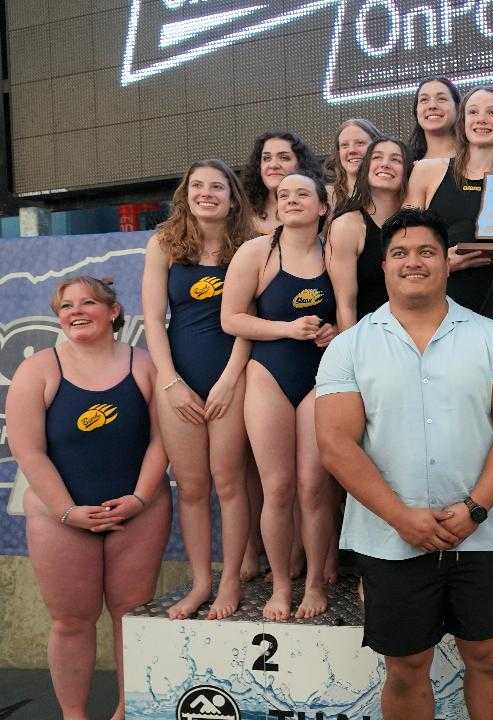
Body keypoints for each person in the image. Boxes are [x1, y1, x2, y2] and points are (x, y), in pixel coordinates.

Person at [315, 208, 493, 720]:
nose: (413, 262)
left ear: (445, 263)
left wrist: (475, 510)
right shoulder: (349, 348)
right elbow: (336, 445)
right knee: (407, 666)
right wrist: (400, 517)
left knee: (486, 657)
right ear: (385, 266)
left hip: (479, 534)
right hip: (389, 538)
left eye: (426, 252)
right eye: (400, 253)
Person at [7, 277, 172, 720]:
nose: (76, 311)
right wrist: (66, 511)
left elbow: (164, 440)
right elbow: (28, 451)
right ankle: (74, 715)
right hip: (58, 514)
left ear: (114, 311)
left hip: (138, 511)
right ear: (58, 316)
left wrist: (139, 498)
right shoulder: (38, 369)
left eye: (87, 303)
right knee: (71, 622)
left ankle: (126, 710)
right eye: (65, 306)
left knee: (131, 620)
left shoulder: (146, 365)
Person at [222, 173, 338, 621]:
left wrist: (334, 331)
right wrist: (287, 329)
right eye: (283, 194)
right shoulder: (257, 252)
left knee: (314, 488)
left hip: (318, 376)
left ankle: (312, 584)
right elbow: (231, 318)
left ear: (322, 207)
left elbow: (348, 311)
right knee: (278, 488)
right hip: (268, 373)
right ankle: (281, 585)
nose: (291, 200)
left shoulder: (333, 253)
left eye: (302, 194)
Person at [142, 160, 254, 620]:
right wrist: (170, 383)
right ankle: (201, 582)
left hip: (232, 375)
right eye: (198, 187)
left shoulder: (249, 246)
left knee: (229, 483)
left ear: (232, 196)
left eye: (217, 187)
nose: (206, 194)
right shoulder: (164, 244)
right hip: (179, 381)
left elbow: (251, 320)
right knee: (191, 487)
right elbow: (152, 320)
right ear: (185, 194)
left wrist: (229, 380)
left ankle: (230, 581)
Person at [406, 85, 493, 351]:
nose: (482, 119)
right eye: (473, 112)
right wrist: (441, 264)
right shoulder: (428, 172)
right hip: (437, 311)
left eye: (492, 113)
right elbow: (405, 244)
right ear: (463, 123)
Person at [327, 136, 410, 330]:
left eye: (396, 160)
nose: (385, 164)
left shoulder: (416, 222)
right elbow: (345, 305)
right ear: (365, 169)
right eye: (377, 158)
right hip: (369, 338)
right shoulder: (348, 225)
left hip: (417, 336)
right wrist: (352, 355)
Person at [242, 131, 325, 236]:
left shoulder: (319, 207)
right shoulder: (241, 212)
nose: (273, 165)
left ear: (301, 164)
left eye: (284, 158)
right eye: (266, 158)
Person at [326, 118, 381, 213]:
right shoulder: (326, 196)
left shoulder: (392, 191)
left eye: (360, 143)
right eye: (344, 145)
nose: (352, 150)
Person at [409, 77, 461, 162]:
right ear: (416, 111)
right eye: (424, 100)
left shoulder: (477, 158)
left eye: (441, 99)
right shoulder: (406, 167)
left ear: (457, 108)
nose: (432, 105)